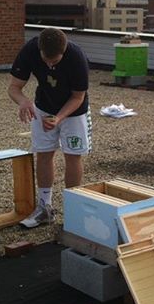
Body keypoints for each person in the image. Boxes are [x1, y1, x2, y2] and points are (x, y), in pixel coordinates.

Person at [8, 28, 91, 229]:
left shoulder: (77, 57)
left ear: (64, 51)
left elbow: (78, 96)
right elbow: (14, 87)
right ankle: (44, 207)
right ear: (40, 49)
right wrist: (23, 102)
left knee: (72, 155)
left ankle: (74, 208)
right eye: (46, 60)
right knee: (43, 154)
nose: (49, 64)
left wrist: (59, 118)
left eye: (54, 61)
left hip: (74, 112)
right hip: (43, 106)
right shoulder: (30, 50)